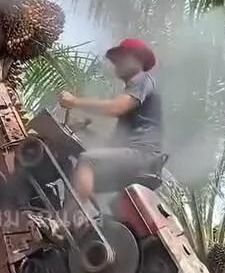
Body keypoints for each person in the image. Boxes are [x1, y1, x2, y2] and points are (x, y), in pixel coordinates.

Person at [59, 38, 163, 205]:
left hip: (141, 156)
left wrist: (74, 102)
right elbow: (119, 138)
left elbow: (116, 108)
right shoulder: (135, 87)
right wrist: (84, 130)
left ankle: (68, 217)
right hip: (140, 158)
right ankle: (81, 217)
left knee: (87, 160)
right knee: (75, 173)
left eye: (121, 57)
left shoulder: (142, 80)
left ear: (138, 59)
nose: (116, 64)